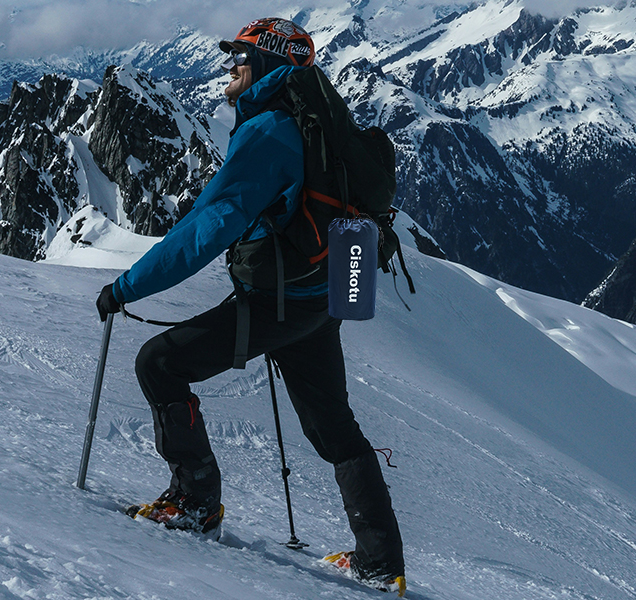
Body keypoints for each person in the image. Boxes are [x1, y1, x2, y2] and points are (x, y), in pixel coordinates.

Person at [94, 17, 405, 593]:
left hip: (276, 304)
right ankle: (381, 561)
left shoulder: (269, 132)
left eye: (240, 54)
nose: (229, 63)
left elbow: (206, 229)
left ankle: (194, 502)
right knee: (335, 429)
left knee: (159, 364)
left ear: (267, 61)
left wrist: (127, 287)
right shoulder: (314, 123)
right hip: (320, 300)